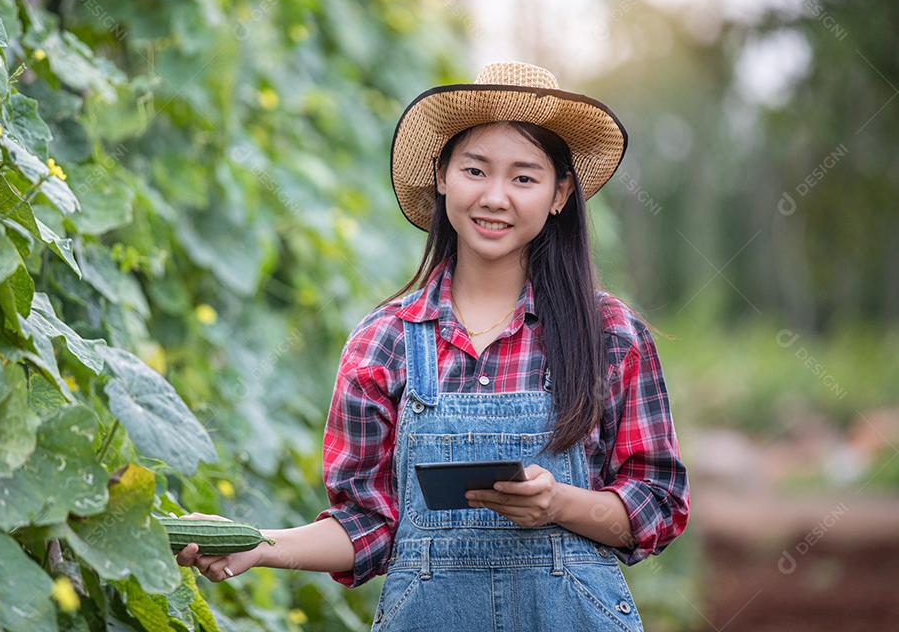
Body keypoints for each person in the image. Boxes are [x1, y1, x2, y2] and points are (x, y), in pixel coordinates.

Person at [175, 62, 690, 631]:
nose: (495, 197)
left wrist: (558, 505)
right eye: (475, 170)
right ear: (441, 175)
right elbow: (365, 525)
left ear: (560, 193)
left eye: (524, 178)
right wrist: (259, 545)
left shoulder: (610, 336)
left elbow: (658, 503)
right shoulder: (385, 342)